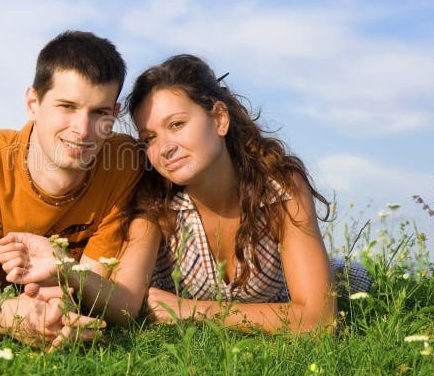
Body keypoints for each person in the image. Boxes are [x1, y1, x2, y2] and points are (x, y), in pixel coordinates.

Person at [0, 31, 149, 349]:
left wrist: (60, 312)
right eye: (67, 106)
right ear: (33, 103)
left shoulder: (125, 163)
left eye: (99, 113)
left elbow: (89, 287)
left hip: (33, 276)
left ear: (114, 114)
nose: (82, 130)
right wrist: (11, 317)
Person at [125, 54, 343, 334]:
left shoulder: (278, 188)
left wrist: (190, 309)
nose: (164, 147)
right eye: (150, 138)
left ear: (219, 119)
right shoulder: (154, 200)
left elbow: (319, 320)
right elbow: (124, 298)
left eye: (177, 124)